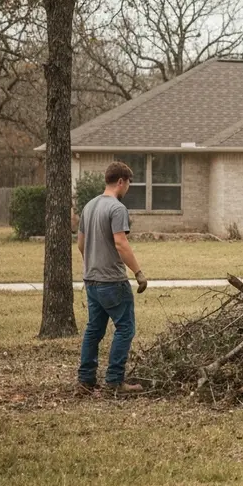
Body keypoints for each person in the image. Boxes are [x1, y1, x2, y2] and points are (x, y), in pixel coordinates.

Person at [77, 161, 149, 395]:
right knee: (125, 328)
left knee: (94, 330)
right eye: (128, 183)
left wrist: (94, 262)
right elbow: (120, 242)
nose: (128, 188)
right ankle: (114, 381)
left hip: (91, 279)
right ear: (121, 181)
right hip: (112, 281)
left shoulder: (89, 207)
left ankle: (85, 380)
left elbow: (81, 244)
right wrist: (138, 272)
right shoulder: (117, 208)